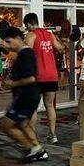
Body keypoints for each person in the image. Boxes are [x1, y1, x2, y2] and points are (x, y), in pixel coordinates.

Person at [0, 27, 48, 162]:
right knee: (24, 124)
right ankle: (38, 149)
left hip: (26, 96)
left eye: (9, 42)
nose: (7, 46)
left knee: (5, 125)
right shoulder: (22, 54)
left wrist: (12, 84)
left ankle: (32, 149)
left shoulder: (26, 54)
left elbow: (31, 78)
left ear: (18, 39)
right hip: (27, 95)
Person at [24, 13, 65, 144]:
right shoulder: (49, 34)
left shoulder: (31, 35)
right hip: (51, 75)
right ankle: (53, 135)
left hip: (38, 76)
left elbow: (25, 54)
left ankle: (33, 137)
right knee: (50, 106)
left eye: (26, 26)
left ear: (29, 24)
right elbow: (61, 49)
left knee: (33, 108)